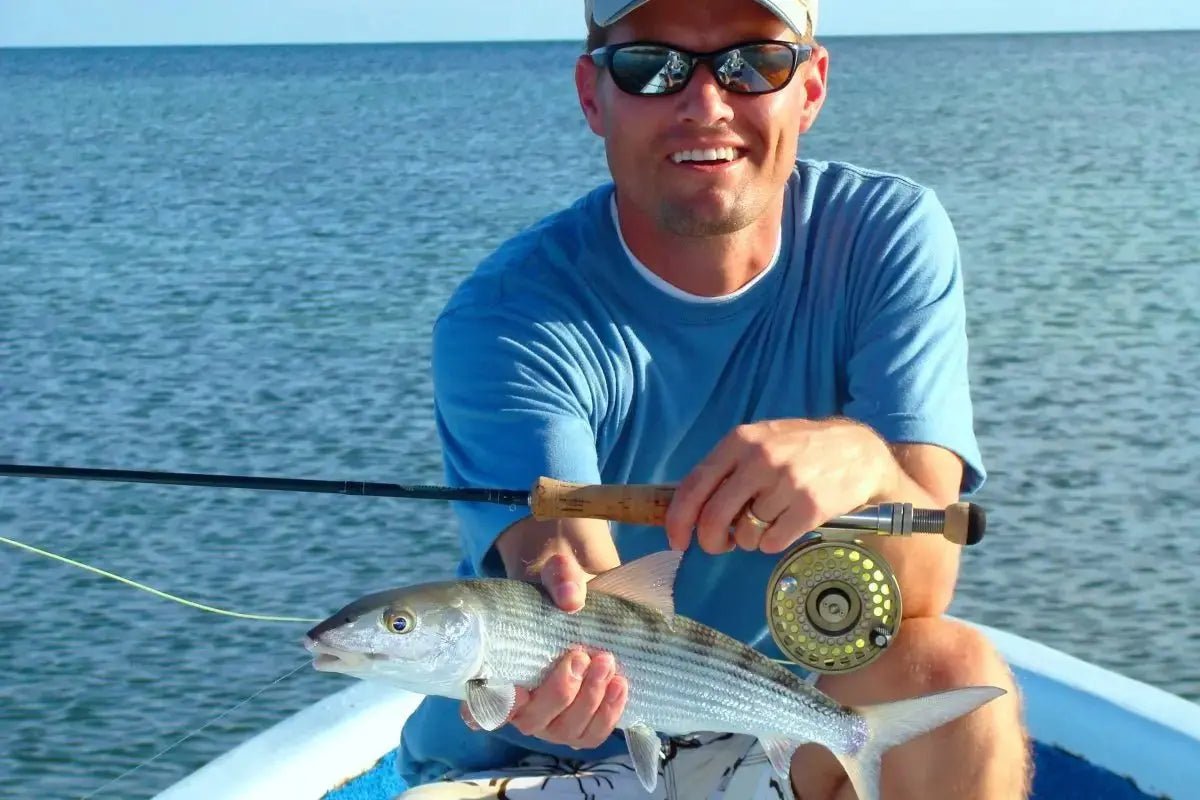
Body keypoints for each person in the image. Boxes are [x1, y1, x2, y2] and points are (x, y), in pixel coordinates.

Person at [396, 0, 1030, 797]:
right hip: (539, 758)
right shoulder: (509, 316)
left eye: (754, 63)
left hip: (771, 725)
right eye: (651, 67)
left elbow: (923, 590)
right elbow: (574, 581)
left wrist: (867, 463)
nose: (705, 104)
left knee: (952, 672)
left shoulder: (884, 236)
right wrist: (573, 648)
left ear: (811, 87)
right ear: (593, 95)